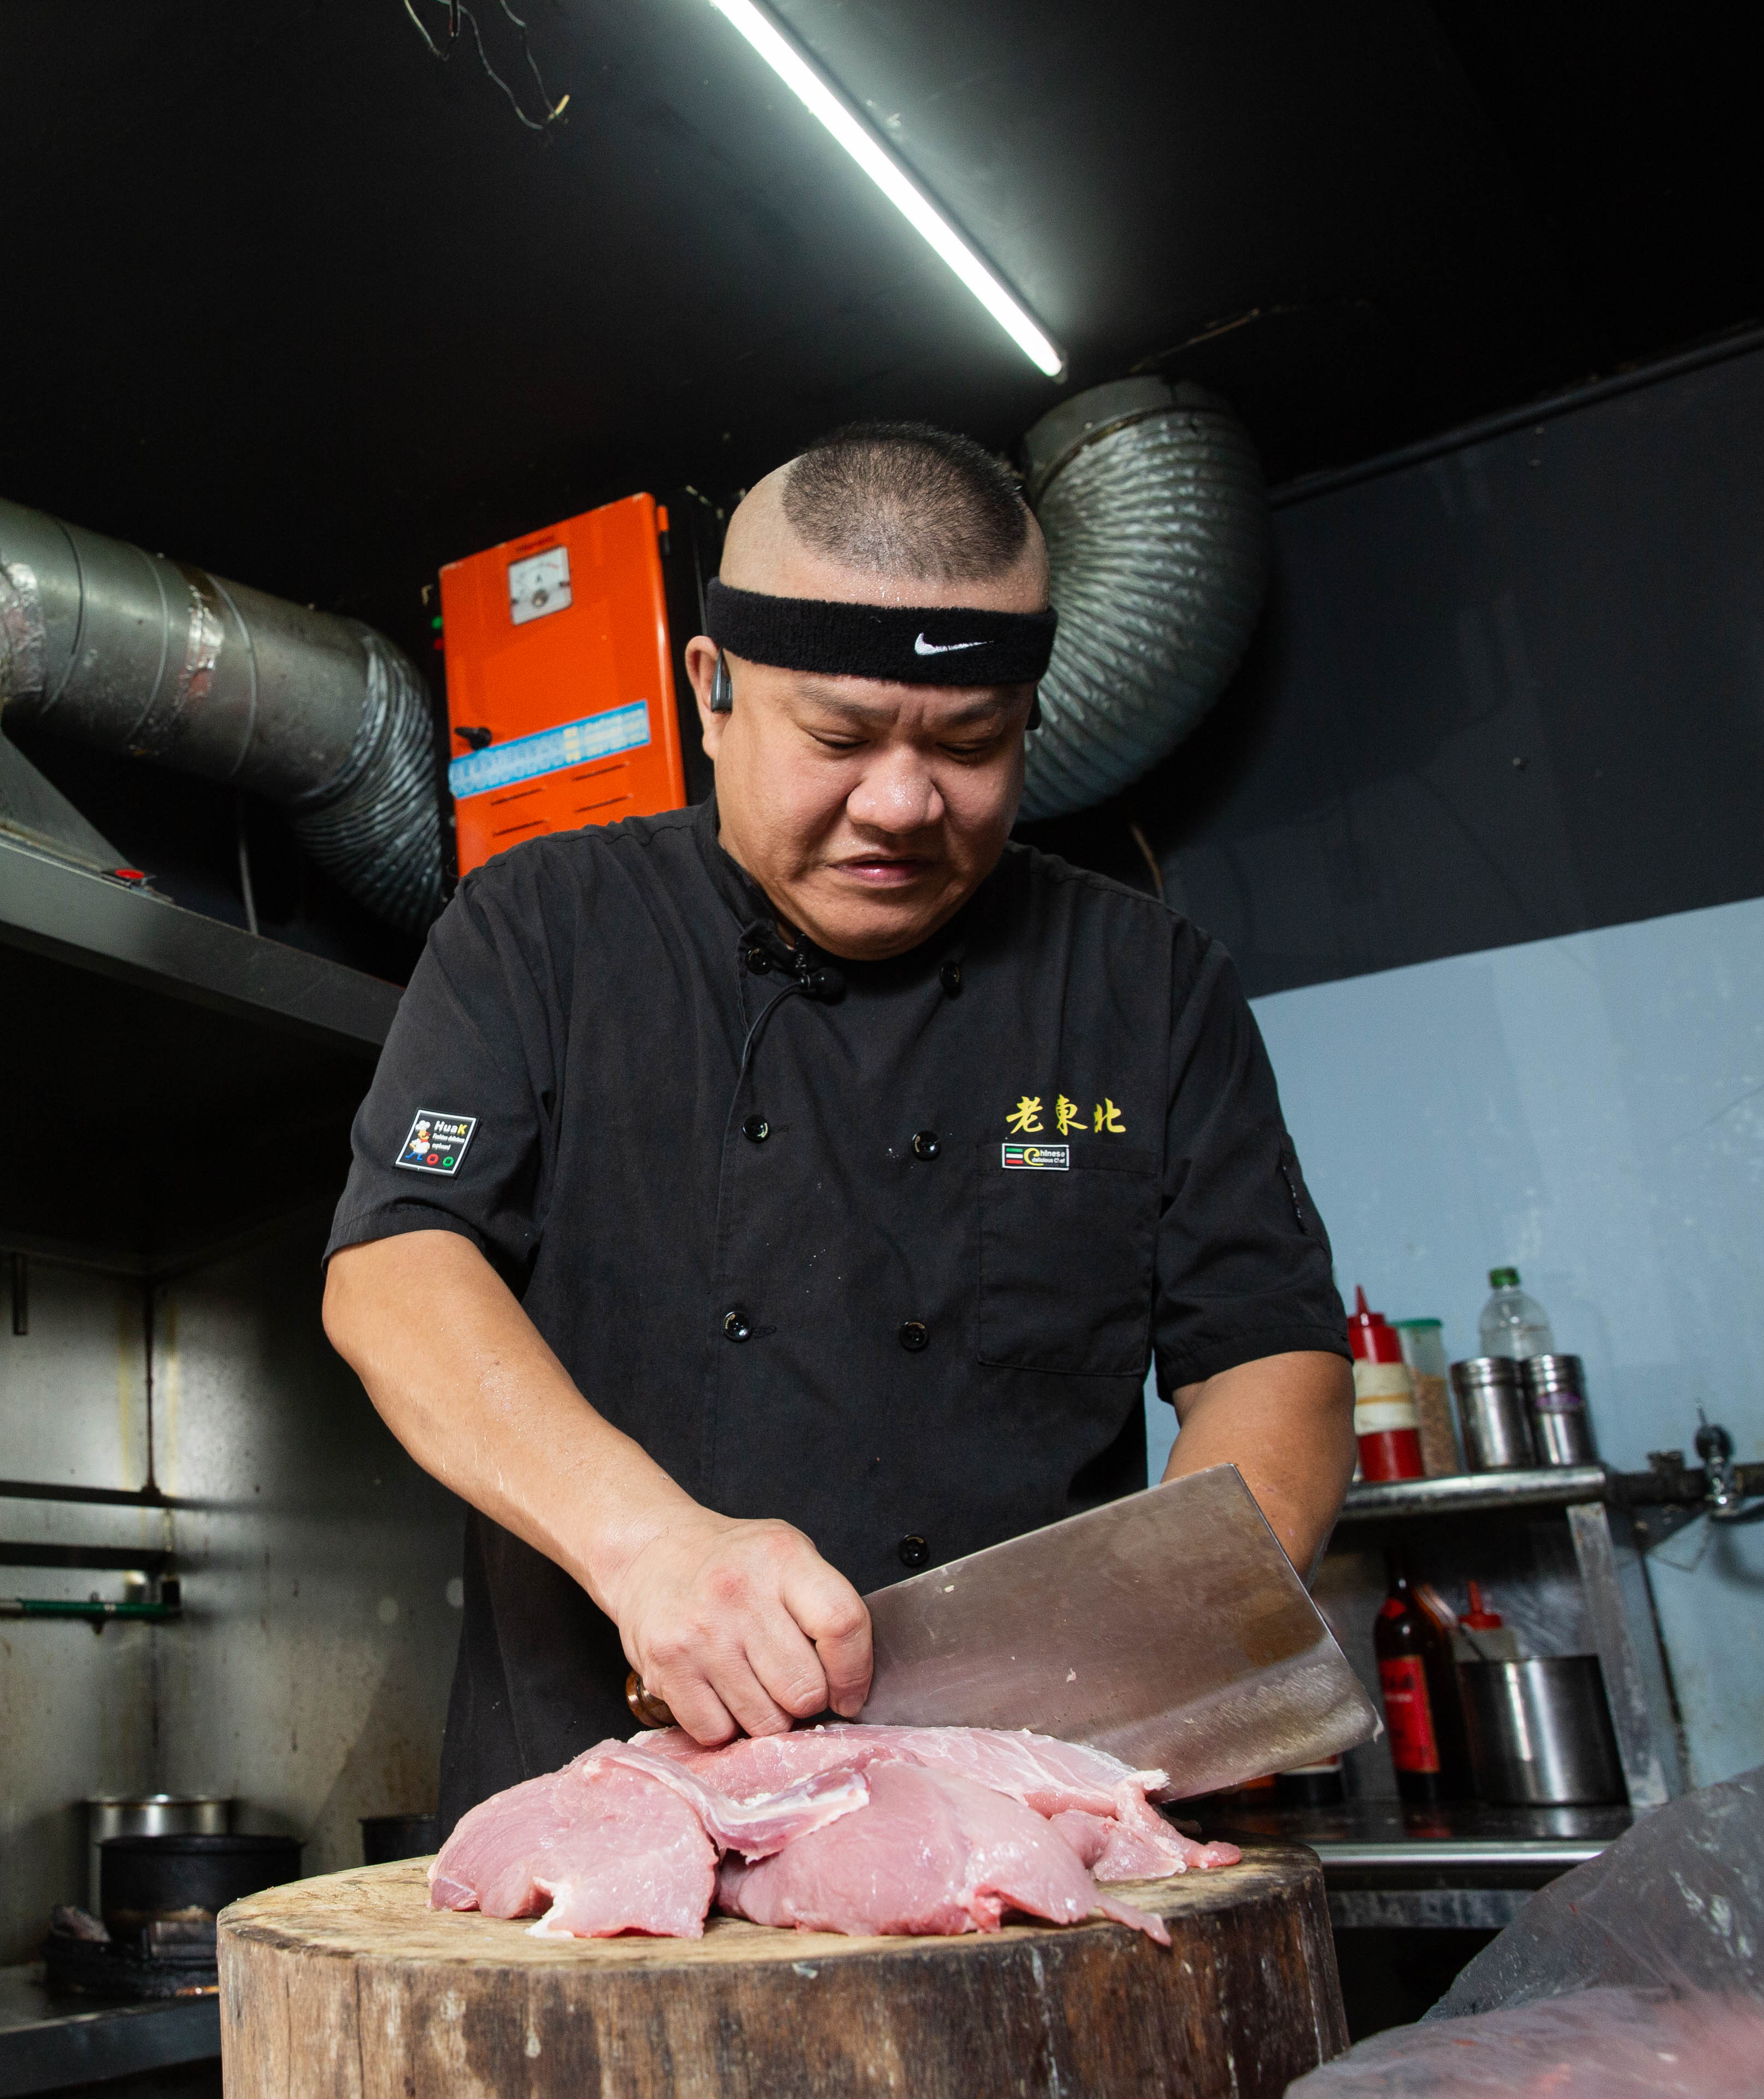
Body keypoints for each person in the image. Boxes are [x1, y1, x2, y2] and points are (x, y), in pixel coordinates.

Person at [321, 422, 1354, 1825]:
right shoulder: (540, 933)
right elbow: (396, 1269)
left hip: (1034, 1816)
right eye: (839, 738)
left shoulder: (1149, 986)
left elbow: (1267, 1352)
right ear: (715, 691)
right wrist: (652, 1553)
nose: (903, 806)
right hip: (607, 1823)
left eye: (972, 745)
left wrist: (1172, 1653)